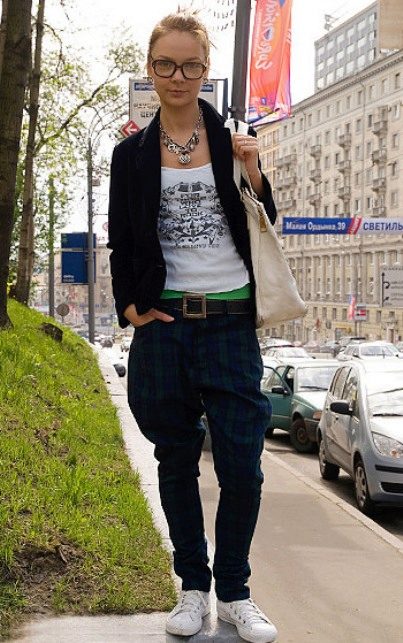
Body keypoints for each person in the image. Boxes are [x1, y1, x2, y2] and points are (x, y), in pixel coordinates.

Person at [107, 12, 278, 643]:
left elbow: (267, 221)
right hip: (165, 325)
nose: (177, 76)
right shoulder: (130, 155)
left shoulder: (234, 143)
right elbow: (121, 240)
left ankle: (234, 591)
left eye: (190, 65)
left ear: (206, 72)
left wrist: (254, 171)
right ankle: (192, 587)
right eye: (165, 64)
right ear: (150, 69)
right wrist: (129, 307)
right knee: (175, 461)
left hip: (231, 322)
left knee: (243, 467)